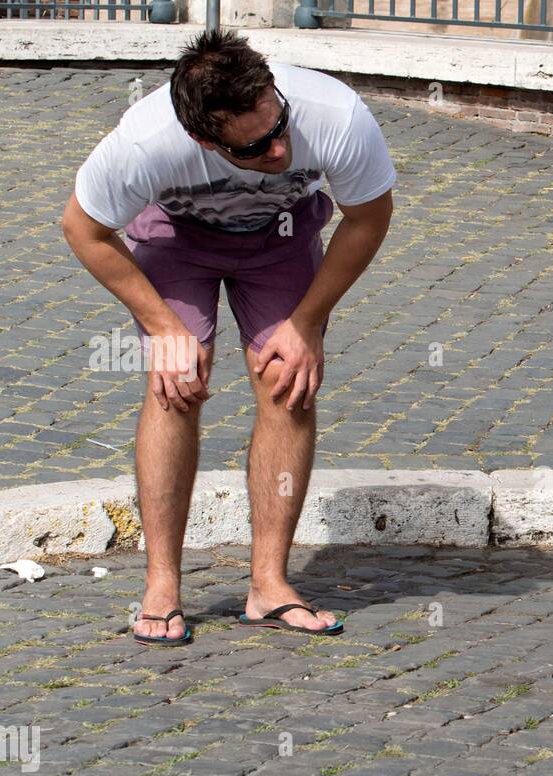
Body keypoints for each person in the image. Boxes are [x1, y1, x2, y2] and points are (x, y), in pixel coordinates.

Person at [62, 29, 395, 645]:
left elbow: (370, 217)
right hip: (176, 239)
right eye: (255, 147)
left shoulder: (337, 114)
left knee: (287, 381)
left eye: (279, 128)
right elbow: (82, 230)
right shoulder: (145, 142)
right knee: (178, 381)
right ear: (202, 138)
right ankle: (162, 583)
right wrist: (165, 329)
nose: (278, 150)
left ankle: (269, 585)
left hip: (282, 238)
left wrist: (307, 323)